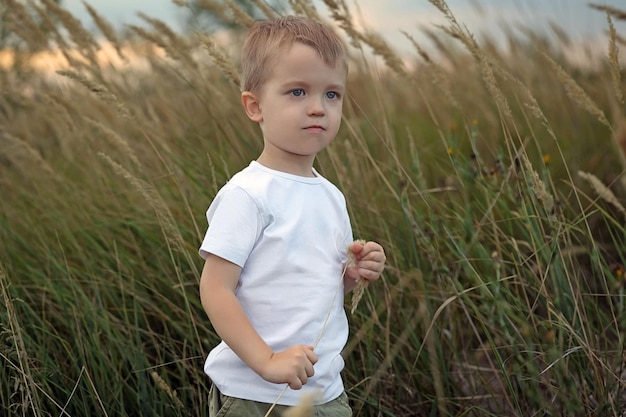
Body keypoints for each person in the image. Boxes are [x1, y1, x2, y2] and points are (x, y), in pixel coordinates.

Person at [198, 15, 386, 417]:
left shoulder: (331, 196)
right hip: (254, 394)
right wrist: (267, 362)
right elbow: (215, 290)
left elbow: (315, 288)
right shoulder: (248, 195)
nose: (318, 107)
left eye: (332, 94)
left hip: (324, 392)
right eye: (297, 92)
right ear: (255, 106)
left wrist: (351, 275)